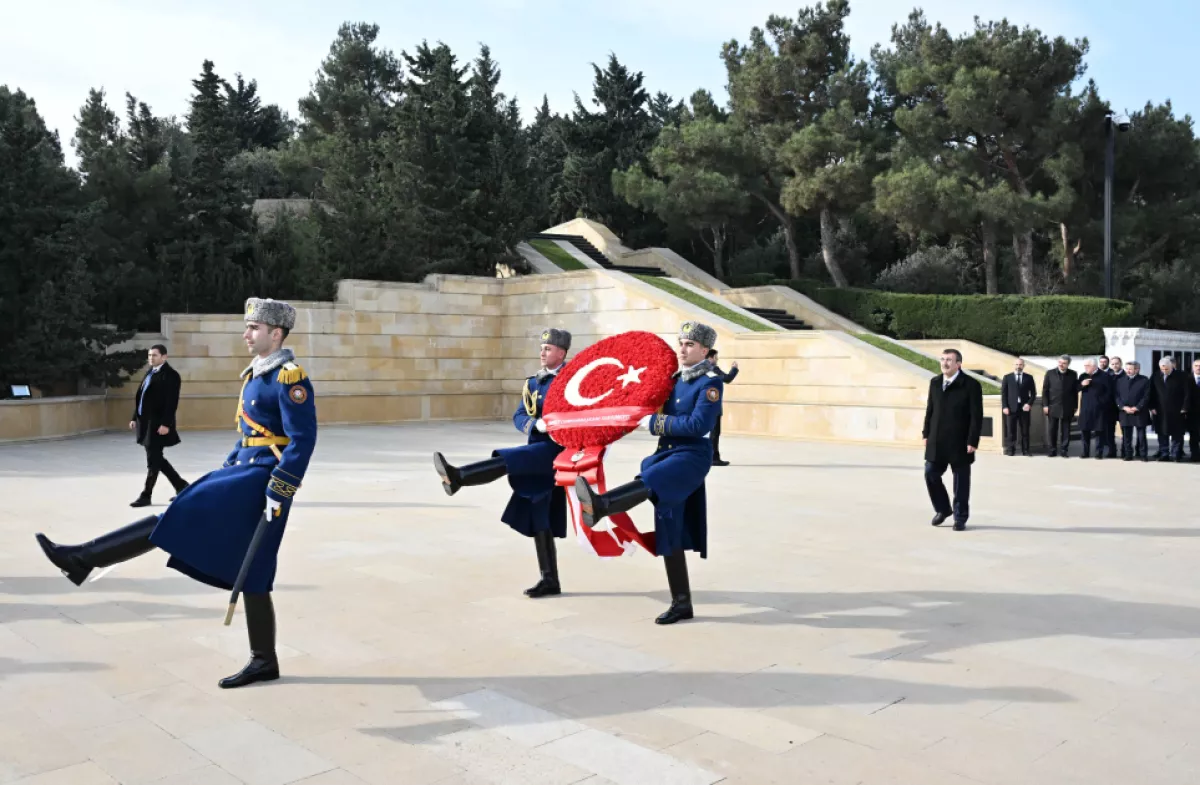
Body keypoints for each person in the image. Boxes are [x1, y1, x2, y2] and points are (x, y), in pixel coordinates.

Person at [34, 298, 317, 689]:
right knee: (252, 566)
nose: (246, 334)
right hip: (244, 471)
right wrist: (230, 463)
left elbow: (303, 439)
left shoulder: (289, 377)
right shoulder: (257, 373)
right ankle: (264, 660)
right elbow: (252, 433)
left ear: (277, 333)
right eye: (248, 327)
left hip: (264, 479)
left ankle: (83, 558)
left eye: (254, 328)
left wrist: (280, 487)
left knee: (185, 517)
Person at [574, 320, 722, 625]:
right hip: (665, 453)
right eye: (681, 343)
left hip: (691, 457)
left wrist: (655, 423)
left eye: (690, 344)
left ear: (705, 350)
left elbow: (698, 426)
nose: (682, 349)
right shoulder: (673, 380)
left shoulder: (710, 383)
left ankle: (602, 505)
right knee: (670, 528)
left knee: (651, 480)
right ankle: (682, 603)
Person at [433, 329, 571, 598]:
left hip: (557, 450)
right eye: (542, 347)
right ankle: (550, 580)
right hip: (538, 448)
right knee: (539, 514)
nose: (542, 352)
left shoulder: (572, 380)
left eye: (548, 348)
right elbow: (519, 415)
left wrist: (557, 425)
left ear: (562, 352)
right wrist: (534, 424)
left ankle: (459, 476)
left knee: (509, 459)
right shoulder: (534, 382)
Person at [922, 349, 983, 531]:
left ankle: (960, 517)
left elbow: (976, 416)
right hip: (937, 440)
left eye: (949, 360)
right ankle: (943, 509)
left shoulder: (971, 385)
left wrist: (973, 440)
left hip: (960, 442)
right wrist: (926, 433)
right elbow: (930, 410)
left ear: (958, 364)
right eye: (942, 359)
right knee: (930, 473)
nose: (945, 363)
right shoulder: (935, 382)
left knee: (961, 483)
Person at [129, 344, 189, 506]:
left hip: (157, 425)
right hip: (145, 423)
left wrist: (166, 424)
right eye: (149, 355)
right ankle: (182, 486)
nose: (151, 358)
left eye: (154, 355)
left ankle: (146, 495)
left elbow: (171, 402)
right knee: (157, 458)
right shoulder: (150, 372)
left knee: (153, 460)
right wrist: (134, 417)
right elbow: (142, 398)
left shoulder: (171, 375)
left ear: (164, 357)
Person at [1150, 356, 1189, 461]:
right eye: (1162, 369)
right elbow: (1151, 392)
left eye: (1166, 369)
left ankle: (1176, 454)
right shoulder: (1155, 375)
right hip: (1160, 410)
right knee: (1162, 433)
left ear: (1172, 366)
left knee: (1177, 433)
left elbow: (1187, 393)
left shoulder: (1182, 376)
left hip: (1177, 410)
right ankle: (1164, 454)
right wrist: (1152, 406)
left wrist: (1185, 407)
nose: (1164, 371)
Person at [706, 348, 738, 466]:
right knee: (715, 433)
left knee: (711, 433)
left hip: (706, 406)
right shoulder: (714, 369)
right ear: (710, 358)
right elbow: (727, 378)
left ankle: (710, 457)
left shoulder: (703, 369)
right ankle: (713, 458)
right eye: (716, 357)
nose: (717, 359)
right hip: (714, 406)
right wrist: (734, 368)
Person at [1041, 355, 1079, 457]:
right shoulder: (1050, 373)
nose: (1061, 365)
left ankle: (1064, 450)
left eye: (1064, 363)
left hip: (1068, 406)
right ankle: (1052, 450)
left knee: (1066, 430)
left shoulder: (1073, 374)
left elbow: (1074, 392)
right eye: (1060, 362)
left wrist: (1075, 406)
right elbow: (1045, 390)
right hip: (1053, 406)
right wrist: (1045, 405)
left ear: (1068, 364)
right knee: (1052, 430)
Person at [1077, 358, 1115, 459]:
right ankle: (1085, 452)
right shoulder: (1083, 376)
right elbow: (1076, 389)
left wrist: (1101, 403)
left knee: (1099, 432)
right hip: (1086, 409)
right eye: (1085, 366)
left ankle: (1099, 453)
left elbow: (1109, 392)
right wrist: (1082, 384)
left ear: (1094, 366)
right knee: (1085, 431)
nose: (1085, 368)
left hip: (1100, 409)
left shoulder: (1105, 376)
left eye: (1087, 366)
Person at [1000, 358, 1036, 456]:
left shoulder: (1029, 378)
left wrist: (1029, 404)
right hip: (1011, 408)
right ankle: (1011, 450)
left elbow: (1033, 394)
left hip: (1024, 408)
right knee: (1011, 430)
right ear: (1013, 365)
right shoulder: (1007, 377)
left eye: (1020, 365)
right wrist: (1005, 407)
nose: (1018, 366)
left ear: (1023, 366)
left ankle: (1026, 450)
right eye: (1016, 364)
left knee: (1025, 430)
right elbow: (1004, 394)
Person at [1116, 361, 1151, 461]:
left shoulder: (1144, 380)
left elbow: (1146, 396)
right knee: (1126, 435)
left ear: (1137, 369)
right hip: (1125, 412)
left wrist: (1138, 407)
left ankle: (1143, 455)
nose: (1128, 371)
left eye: (1130, 369)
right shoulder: (1120, 380)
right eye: (1127, 368)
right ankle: (1128, 454)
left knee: (1141, 435)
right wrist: (1123, 407)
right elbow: (1116, 396)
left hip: (1140, 412)